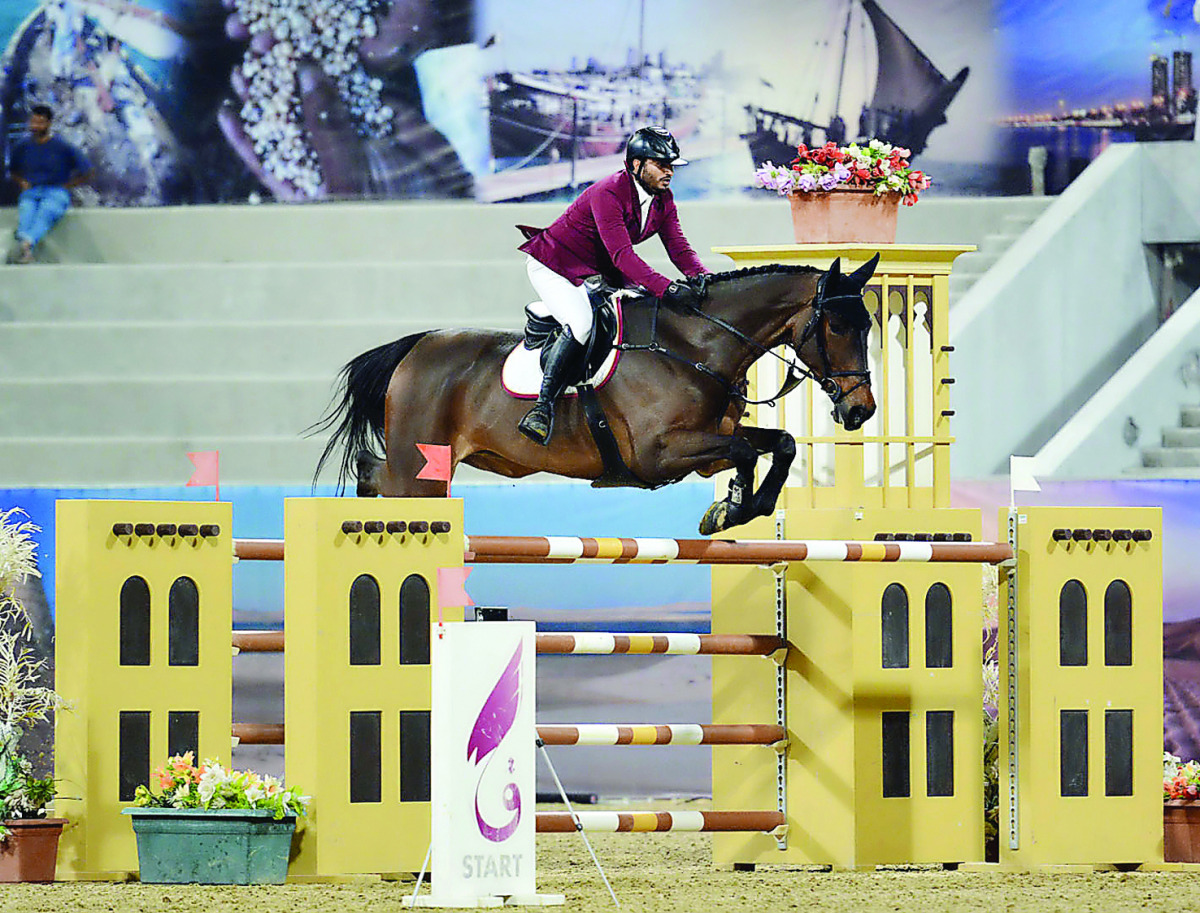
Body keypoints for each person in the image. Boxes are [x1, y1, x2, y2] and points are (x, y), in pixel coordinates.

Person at [515, 125, 711, 445]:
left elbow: (679, 249)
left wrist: (704, 279)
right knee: (581, 323)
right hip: (555, 265)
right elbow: (622, 255)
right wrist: (668, 288)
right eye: (661, 164)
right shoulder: (609, 192)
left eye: (671, 165)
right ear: (636, 165)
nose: (669, 171)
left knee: (645, 306)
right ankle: (542, 409)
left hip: (596, 270)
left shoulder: (663, 200)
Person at [7, 105, 92, 264]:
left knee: (46, 213)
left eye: (40, 123)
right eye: (33, 122)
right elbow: (12, 170)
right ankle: (25, 251)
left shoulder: (62, 146)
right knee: (26, 215)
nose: (35, 127)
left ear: (49, 124)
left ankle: (25, 244)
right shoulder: (22, 146)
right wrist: (22, 182)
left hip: (55, 191)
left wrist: (68, 185)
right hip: (31, 191)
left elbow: (87, 170)